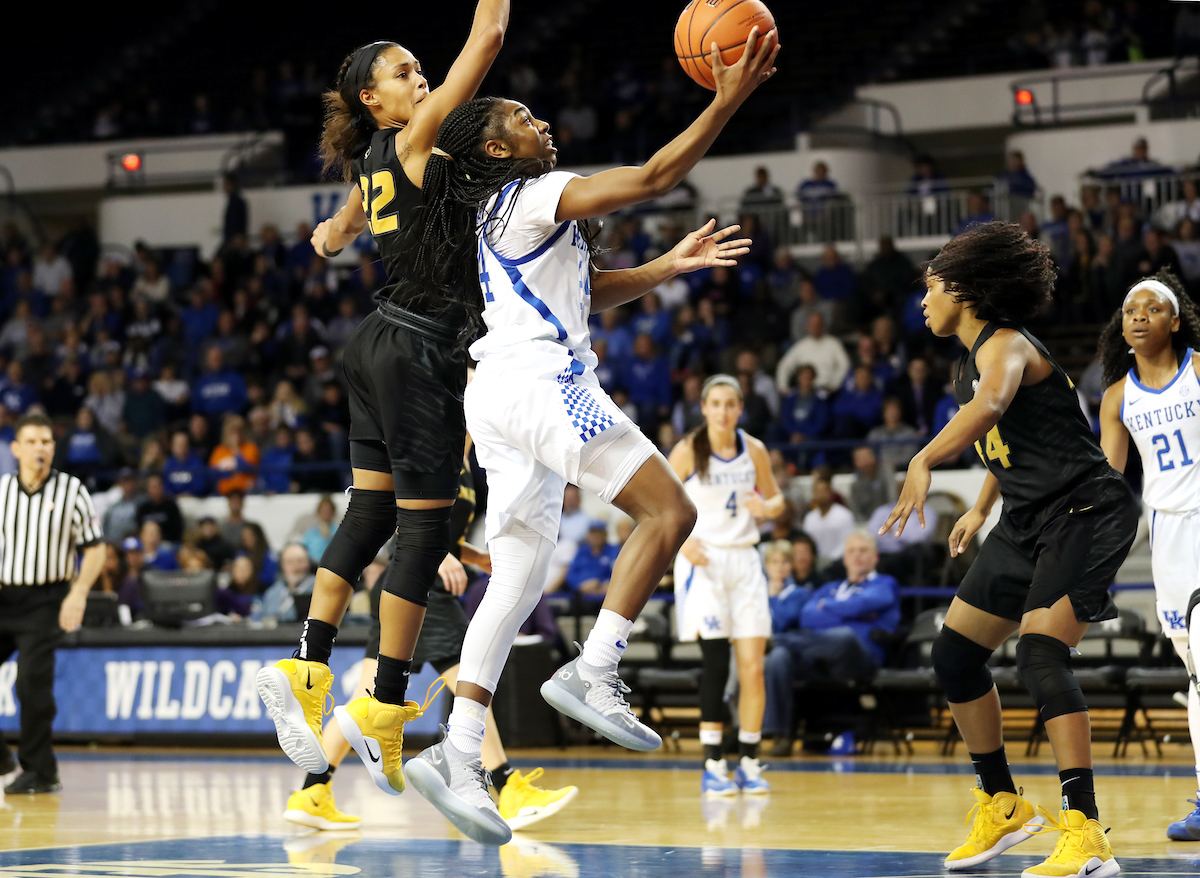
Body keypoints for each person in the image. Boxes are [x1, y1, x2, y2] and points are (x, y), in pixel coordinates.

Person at [392, 29, 778, 845]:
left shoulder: (495, 214)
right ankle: (596, 665)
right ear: (496, 144)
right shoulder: (533, 192)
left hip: (495, 398)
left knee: (518, 582)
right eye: (526, 119)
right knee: (671, 514)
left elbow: (589, 293)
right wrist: (727, 98)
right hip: (542, 385)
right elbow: (654, 177)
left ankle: (457, 751)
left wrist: (669, 268)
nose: (544, 126)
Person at [255, 0, 516, 831]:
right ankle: (385, 706)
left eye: (417, 67)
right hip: (419, 352)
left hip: (373, 343)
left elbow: (342, 227)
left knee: (370, 509)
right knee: (422, 529)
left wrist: (330, 237)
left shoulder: (379, 155)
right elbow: (487, 38)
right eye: (403, 72)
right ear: (374, 98)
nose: (420, 76)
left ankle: (306, 666)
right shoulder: (409, 136)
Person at [880, 221, 1137, 877]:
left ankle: (1085, 833)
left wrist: (924, 459)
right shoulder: (968, 359)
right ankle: (1003, 804)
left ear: (963, 290)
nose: (923, 301)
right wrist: (982, 505)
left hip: (1086, 509)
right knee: (955, 654)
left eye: (930, 288)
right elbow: (1011, 437)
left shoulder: (1007, 346)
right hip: (1026, 517)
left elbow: (992, 406)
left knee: (1041, 652)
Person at [291, 435, 579, 833]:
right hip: (416, 583)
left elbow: (449, 533)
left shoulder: (470, 468)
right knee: (472, 683)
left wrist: (472, 556)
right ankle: (509, 787)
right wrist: (436, 553)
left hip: (408, 587)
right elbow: (392, 510)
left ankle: (311, 793)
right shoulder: (430, 448)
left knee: (366, 699)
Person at [1096, 270, 1200, 840]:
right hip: (1167, 536)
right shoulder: (1117, 398)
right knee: (1194, 669)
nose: (1138, 315)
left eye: (1151, 308)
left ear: (1174, 321)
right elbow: (1111, 483)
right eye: (1130, 308)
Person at [669, 375, 783, 796]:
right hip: (705, 560)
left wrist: (766, 508)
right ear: (703, 407)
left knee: (753, 667)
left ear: (740, 408)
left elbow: (777, 500)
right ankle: (713, 763)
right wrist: (682, 541)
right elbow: (653, 502)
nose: (722, 411)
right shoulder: (687, 449)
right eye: (715, 403)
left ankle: (750, 760)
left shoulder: (754, 449)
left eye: (730, 404)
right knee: (716, 664)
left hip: (745, 560)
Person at [0, 412, 105, 794]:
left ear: (53, 447)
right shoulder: (2, 491)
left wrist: (77, 593)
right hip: (4, 595)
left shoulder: (72, 490)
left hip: (47, 599)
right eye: (31, 441)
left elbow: (95, 548)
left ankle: (41, 771)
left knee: (31, 683)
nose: (39, 448)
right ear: (16, 448)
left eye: (46, 441)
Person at [763, 531, 899, 753]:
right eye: (851, 551)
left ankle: (777, 640)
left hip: (859, 657)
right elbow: (807, 616)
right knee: (779, 657)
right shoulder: (829, 588)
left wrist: (828, 607)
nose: (857, 556)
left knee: (844, 635)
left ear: (875, 557)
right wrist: (851, 610)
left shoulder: (885, 583)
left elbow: (868, 602)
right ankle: (780, 736)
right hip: (818, 656)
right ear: (844, 558)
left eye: (863, 550)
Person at [562, 520, 619, 594]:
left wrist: (599, 583)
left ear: (605, 535)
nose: (596, 536)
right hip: (581, 594)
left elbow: (617, 574)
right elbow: (571, 574)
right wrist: (580, 585)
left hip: (603, 593)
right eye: (593, 533)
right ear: (588, 535)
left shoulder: (613, 551)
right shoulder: (582, 551)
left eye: (599, 533)